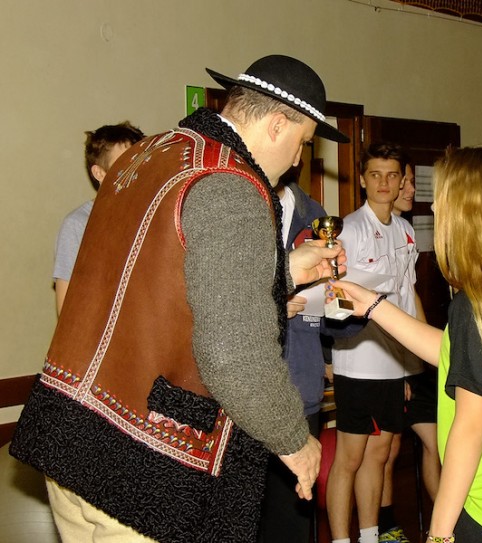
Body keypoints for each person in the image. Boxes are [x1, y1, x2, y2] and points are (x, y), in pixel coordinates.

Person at [11, 54, 348, 543]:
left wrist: (285, 271)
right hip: (140, 466)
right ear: (277, 125)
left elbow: (163, 277)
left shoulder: (151, 154)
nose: (298, 159)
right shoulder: (230, 185)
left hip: (71, 435)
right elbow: (234, 352)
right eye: (303, 142)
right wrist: (295, 440)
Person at [326, 145, 482, 543]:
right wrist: (372, 305)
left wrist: (440, 533)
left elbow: (470, 426)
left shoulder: (475, 303)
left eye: (442, 199)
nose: (434, 207)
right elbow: (457, 350)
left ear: (464, 212)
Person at [325, 142, 417, 543]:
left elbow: (408, 299)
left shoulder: (406, 231)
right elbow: (333, 299)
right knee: (350, 458)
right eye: (375, 174)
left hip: (393, 365)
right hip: (358, 362)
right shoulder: (349, 230)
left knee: (380, 455)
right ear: (363, 179)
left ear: (400, 181)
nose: (384, 182)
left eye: (392, 175)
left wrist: (412, 363)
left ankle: (369, 535)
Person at [258, 167, 329, 543]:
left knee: (293, 518)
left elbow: (330, 323)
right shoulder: (238, 204)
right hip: (247, 393)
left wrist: (343, 306)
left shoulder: (314, 215)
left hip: (301, 385)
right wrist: (271, 308)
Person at [379, 161, 440, 543]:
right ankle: (385, 525)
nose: (410, 190)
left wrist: (428, 345)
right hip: (385, 359)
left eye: (412, 182)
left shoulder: (407, 231)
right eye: (405, 182)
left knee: (436, 441)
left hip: (413, 361)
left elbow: (411, 293)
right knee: (388, 447)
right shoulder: (366, 232)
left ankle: (445, 520)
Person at [53, 121, 145, 315]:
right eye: (125, 165)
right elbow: (66, 308)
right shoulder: (78, 224)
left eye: (139, 163)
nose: (135, 173)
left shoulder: (150, 217)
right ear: (99, 173)